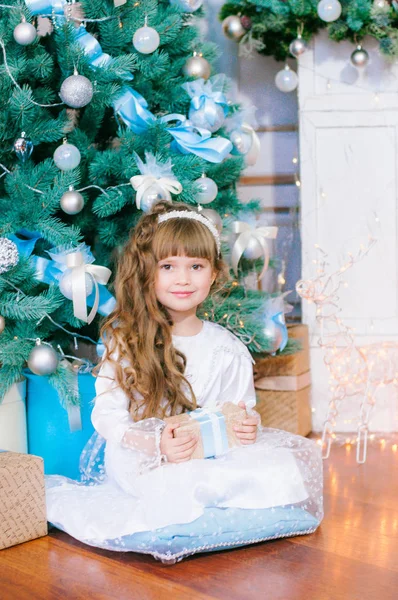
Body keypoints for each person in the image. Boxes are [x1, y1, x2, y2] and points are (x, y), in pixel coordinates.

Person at [46, 202, 323, 560]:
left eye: (196, 266)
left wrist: (246, 429)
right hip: (144, 456)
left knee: (279, 466)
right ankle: (204, 512)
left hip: (207, 454)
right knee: (177, 482)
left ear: (213, 274)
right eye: (168, 267)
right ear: (149, 272)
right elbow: (108, 416)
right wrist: (155, 444)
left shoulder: (228, 349)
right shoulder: (126, 340)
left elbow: (239, 410)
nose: (183, 279)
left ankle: (206, 512)